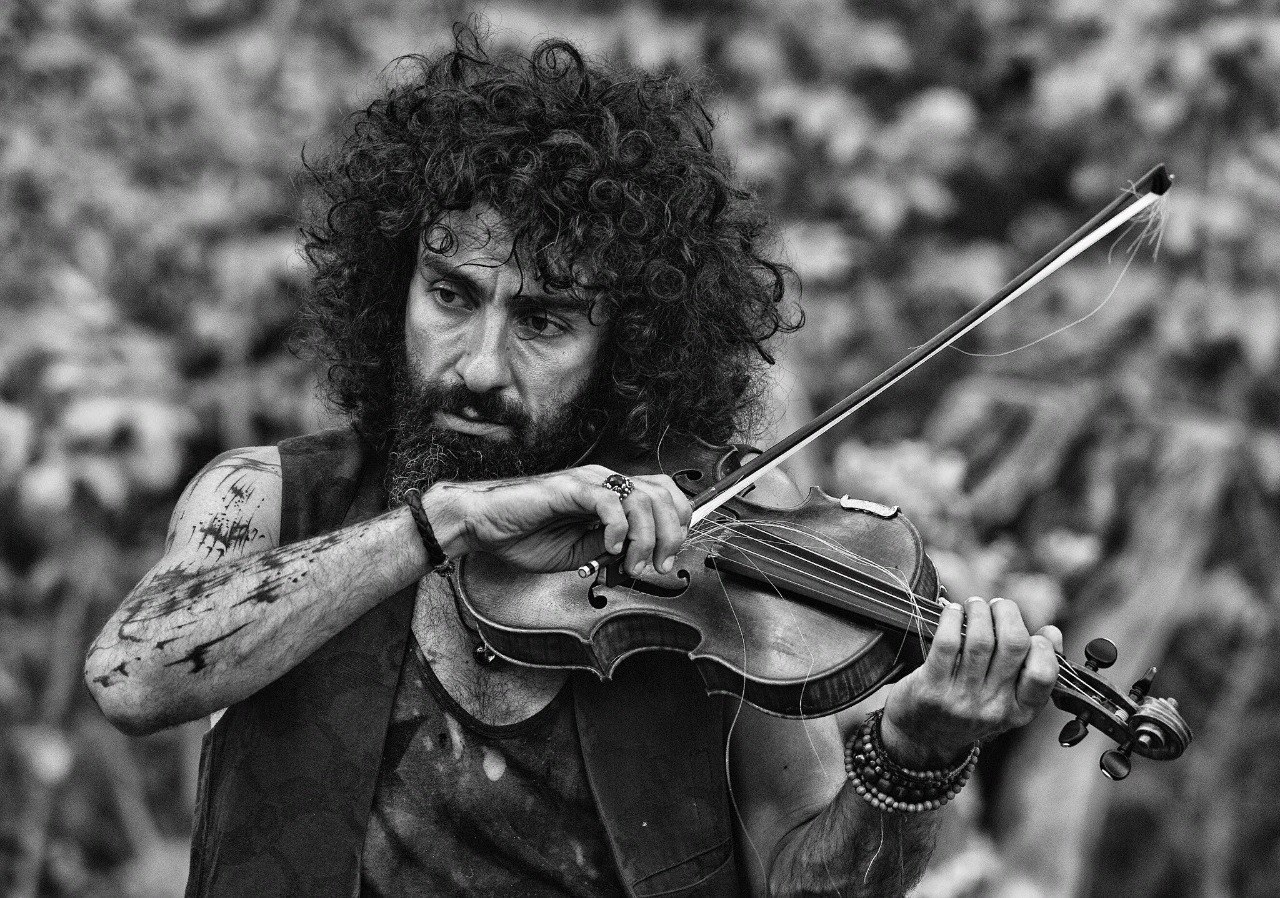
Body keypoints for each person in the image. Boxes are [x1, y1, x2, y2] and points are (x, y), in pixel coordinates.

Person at [84, 29, 1062, 898]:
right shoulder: (268, 498)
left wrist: (912, 759)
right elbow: (132, 677)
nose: (479, 366)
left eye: (543, 322)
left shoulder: (704, 565)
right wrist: (442, 520)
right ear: (394, 287)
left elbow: (804, 882)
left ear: (625, 346)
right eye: (451, 295)